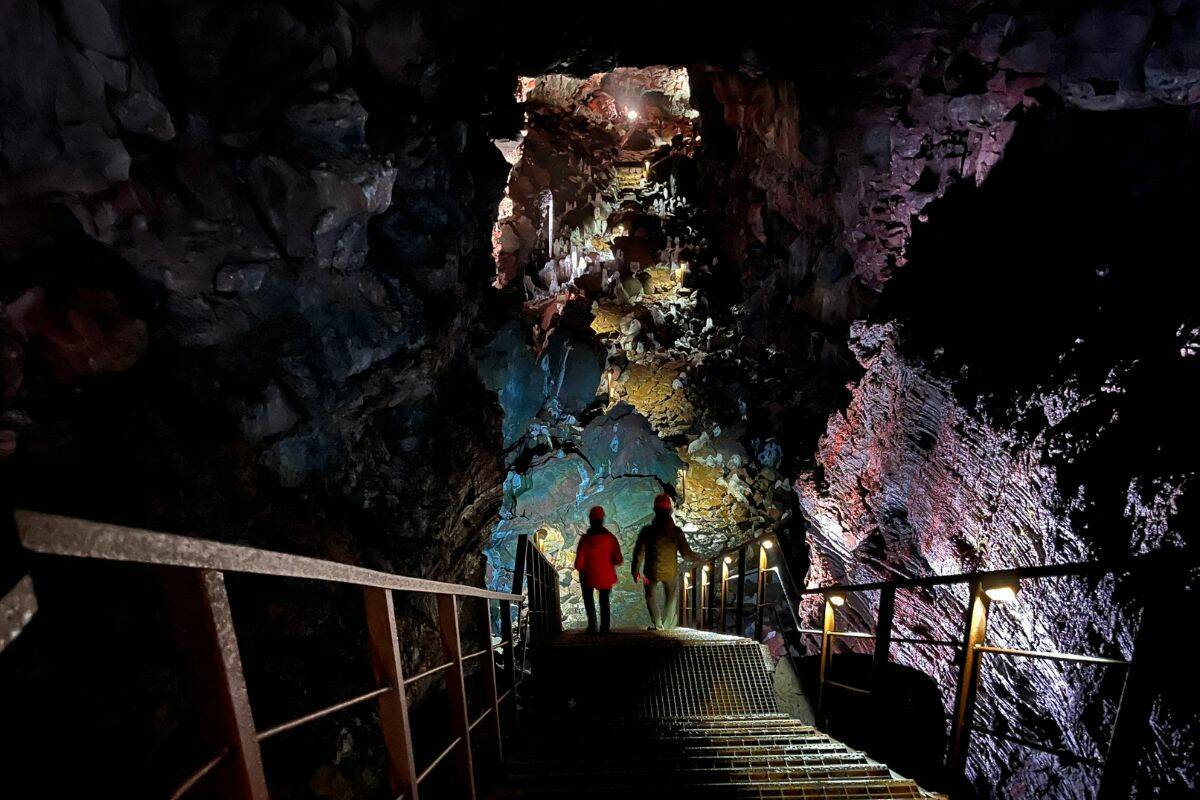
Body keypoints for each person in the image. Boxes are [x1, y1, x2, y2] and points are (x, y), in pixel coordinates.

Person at [631, 494, 700, 630]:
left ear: (655, 510)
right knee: (671, 596)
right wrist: (698, 557)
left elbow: (639, 552)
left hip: (650, 573)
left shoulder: (647, 531)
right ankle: (667, 625)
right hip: (670, 572)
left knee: (650, 595)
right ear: (670, 511)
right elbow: (686, 554)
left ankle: (657, 624)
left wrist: (635, 571)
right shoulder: (676, 532)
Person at [574, 506, 623, 634]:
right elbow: (618, 559)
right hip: (605, 577)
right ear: (602, 520)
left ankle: (592, 627)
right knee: (604, 601)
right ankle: (605, 628)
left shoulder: (584, 540)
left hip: (588, 577)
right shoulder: (611, 539)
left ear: (590, 520)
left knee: (589, 601)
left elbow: (578, 565)